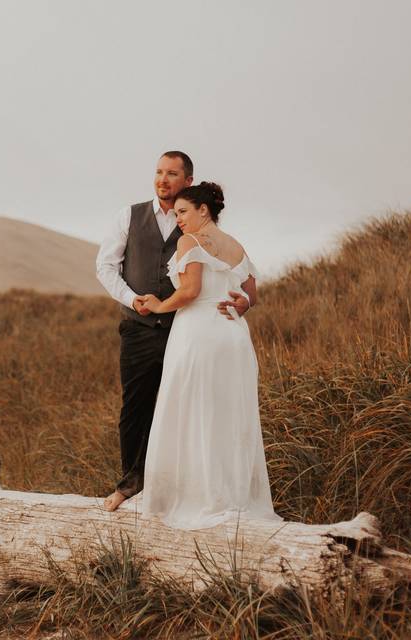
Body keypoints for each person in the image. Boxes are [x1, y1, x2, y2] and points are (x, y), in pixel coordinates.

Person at [95, 152, 251, 512]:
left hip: (186, 331)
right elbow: (105, 267)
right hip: (139, 328)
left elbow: (226, 278)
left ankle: (179, 490)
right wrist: (133, 300)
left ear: (188, 181)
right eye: (159, 172)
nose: (163, 179)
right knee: (135, 408)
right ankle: (131, 484)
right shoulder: (129, 216)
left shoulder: (195, 229)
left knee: (183, 408)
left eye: (172, 174)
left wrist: (243, 301)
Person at [137, 182, 283, 529]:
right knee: (228, 416)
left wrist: (159, 305)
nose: (178, 221)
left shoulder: (190, 242)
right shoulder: (235, 246)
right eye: (175, 215)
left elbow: (190, 291)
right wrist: (241, 305)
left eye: (183, 212)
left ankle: (195, 498)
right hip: (233, 336)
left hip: (199, 334)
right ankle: (230, 497)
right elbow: (252, 296)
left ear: (204, 210)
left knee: (190, 410)